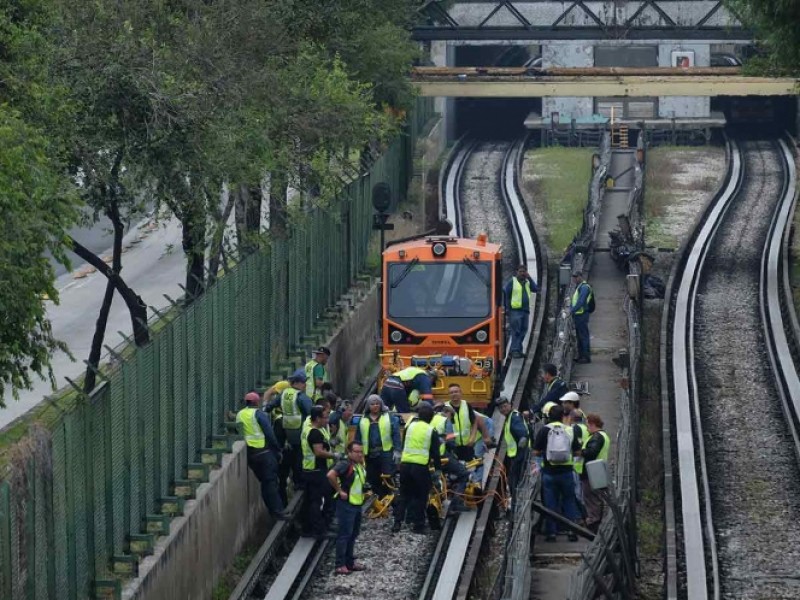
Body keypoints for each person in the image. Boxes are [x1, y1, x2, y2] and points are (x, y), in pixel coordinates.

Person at [236, 392, 289, 520]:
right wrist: (278, 449)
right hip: (264, 453)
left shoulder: (240, 415)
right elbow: (269, 433)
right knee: (270, 483)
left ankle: (273, 511)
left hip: (251, 455)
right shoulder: (258, 414)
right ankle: (278, 512)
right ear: (256, 402)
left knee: (266, 483)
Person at [533, 405, 582, 542]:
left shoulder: (544, 430)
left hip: (549, 472)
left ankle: (551, 533)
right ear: (563, 416)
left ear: (549, 416)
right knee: (569, 501)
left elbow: (536, 452)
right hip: (566, 472)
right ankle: (572, 532)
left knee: (550, 503)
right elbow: (578, 452)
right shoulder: (570, 430)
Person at [392, 403, 442, 534]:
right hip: (420, 467)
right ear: (431, 417)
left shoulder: (410, 427)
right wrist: (438, 470)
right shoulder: (431, 430)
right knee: (421, 496)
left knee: (404, 494)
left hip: (405, 465)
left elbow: (404, 444)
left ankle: (397, 523)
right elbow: (436, 453)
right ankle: (418, 525)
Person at [265, 369, 313, 487]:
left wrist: (265, 410)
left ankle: (287, 480)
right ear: (296, 382)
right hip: (300, 431)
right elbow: (311, 413)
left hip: (288, 431)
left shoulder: (284, 394)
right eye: (303, 382)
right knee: (299, 457)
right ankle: (299, 482)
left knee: (291, 455)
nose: (304, 385)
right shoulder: (301, 397)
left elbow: (270, 405)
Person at [327, 442, 368, 575]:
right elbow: (330, 475)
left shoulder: (357, 465)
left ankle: (349, 562)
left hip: (356, 504)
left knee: (353, 534)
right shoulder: (345, 464)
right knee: (344, 535)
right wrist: (340, 491)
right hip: (347, 505)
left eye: (361, 451)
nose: (360, 454)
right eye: (356, 452)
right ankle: (340, 564)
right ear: (349, 452)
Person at [301, 406, 339, 538]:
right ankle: (320, 530)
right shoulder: (315, 433)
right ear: (317, 418)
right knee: (318, 501)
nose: (327, 420)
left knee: (311, 501)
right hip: (316, 471)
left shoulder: (307, 429)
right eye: (325, 417)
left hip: (308, 469)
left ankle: (307, 529)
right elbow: (318, 452)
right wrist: (334, 455)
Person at [354, 395, 401, 498]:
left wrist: (397, 451)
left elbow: (396, 434)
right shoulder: (363, 420)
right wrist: (357, 454)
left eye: (377, 404)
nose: (375, 406)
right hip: (370, 455)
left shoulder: (388, 417)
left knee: (389, 478)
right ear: (368, 406)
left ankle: (392, 502)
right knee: (373, 480)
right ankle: (378, 501)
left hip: (386, 453)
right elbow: (357, 438)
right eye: (372, 404)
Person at [432, 403, 470, 512]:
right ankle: (455, 503)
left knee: (438, 478)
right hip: (442, 455)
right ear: (448, 413)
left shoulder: (430, 419)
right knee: (464, 474)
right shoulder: (445, 421)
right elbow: (450, 441)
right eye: (452, 417)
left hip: (429, 456)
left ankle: (442, 500)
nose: (451, 420)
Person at [496, 396, 529, 512]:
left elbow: (523, 434)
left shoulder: (514, 418)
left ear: (510, 405)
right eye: (501, 408)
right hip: (515, 454)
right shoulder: (510, 417)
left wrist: (522, 442)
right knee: (513, 480)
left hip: (519, 455)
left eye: (505, 406)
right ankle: (516, 503)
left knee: (514, 480)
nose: (503, 409)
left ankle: (516, 505)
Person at [581, 413, 611, 532]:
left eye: (587, 424)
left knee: (592, 498)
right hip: (598, 471)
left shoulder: (597, 437)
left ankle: (593, 523)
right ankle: (595, 521)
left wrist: (581, 452)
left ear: (593, 424)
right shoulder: (603, 435)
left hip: (592, 472)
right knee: (596, 498)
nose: (586, 427)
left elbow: (591, 452)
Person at [503, 264, 539, 359]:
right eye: (520, 271)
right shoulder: (512, 282)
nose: (522, 273)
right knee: (516, 331)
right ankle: (515, 350)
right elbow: (505, 294)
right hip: (515, 311)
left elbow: (535, 289)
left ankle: (517, 350)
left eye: (524, 271)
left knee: (524, 330)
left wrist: (529, 278)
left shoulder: (527, 282)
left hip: (525, 311)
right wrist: (507, 308)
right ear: (517, 272)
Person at [570, 271, 594, 364]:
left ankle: (586, 357)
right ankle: (581, 356)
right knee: (580, 336)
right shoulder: (579, 287)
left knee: (583, 336)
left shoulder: (584, 287)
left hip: (582, 315)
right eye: (573, 277)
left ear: (580, 277)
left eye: (576, 277)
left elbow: (580, 301)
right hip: (578, 315)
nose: (574, 279)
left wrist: (571, 311)